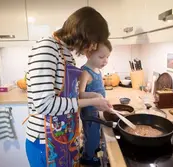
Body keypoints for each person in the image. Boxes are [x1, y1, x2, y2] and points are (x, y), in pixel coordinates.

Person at [25, 6, 112, 167]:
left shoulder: (66, 53)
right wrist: (91, 102)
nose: (93, 48)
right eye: (94, 43)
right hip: (45, 143)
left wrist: (93, 96)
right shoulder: (47, 48)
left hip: (64, 137)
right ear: (84, 35)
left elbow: (67, 97)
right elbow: (44, 104)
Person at [79, 40, 112, 166]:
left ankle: (89, 151)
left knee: (94, 134)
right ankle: (88, 158)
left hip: (97, 111)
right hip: (89, 112)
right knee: (91, 135)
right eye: (101, 57)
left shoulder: (98, 70)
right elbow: (80, 94)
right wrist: (95, 97)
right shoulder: (85, 72)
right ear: (88, 54)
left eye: (107, 57)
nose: (105, 61)